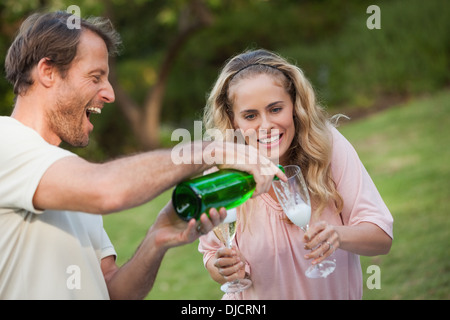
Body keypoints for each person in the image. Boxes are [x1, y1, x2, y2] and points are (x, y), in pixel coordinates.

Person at [0, 12, 285, 300]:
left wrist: (157, 237)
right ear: (48, 72)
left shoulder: (66, 176)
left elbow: (112, 290)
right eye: (95, 77)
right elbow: (105, 189)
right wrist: (212, 150)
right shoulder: (5, 140)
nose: (109, 93)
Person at [198, 49, 394, 299]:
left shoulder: (327, 147)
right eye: (250, 115)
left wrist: (337, 235)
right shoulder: (220, 171)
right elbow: (213, 255)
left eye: (275, 109)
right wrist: (224, 268)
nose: (266, 126)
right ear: (233, 120)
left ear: (294, 106)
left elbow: (381, 238)